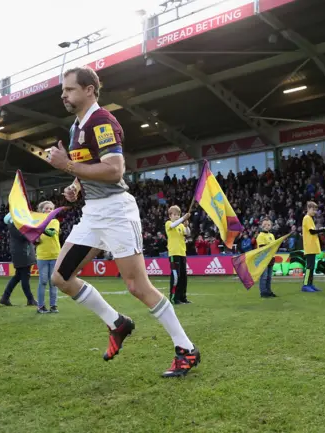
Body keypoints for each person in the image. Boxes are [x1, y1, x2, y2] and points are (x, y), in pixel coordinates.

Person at [46, 66, 200, 378]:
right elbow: (87, 167)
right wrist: (76, 186)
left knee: (137, 286)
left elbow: (114, 170)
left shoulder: (102, 120)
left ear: (89, 90)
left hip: (116, 211)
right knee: (61, 278)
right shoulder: (76, 127)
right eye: (63, 90)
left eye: (70, 89)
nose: (64, 94)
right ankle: (118, 322)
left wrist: (66, 165)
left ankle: (186, 349)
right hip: (93, 212)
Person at [0, 213, 37, 307]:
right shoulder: (15, 227)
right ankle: (30, 299)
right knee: (25, 277)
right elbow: (26, 236)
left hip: (22, 253)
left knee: (18, 276)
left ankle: (5, 297)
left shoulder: (14, 226)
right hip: (23, 254)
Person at [35, 201, 61, 314]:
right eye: (46, 208)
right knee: (43, 281)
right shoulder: (36, 223)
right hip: (42, 255)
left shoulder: (55, 221)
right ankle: (40, 306)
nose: (49, 210)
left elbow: (51, 233)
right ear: (41, 210)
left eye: (51, 209)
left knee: (53, 282)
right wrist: (35, 238)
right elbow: (34, 239)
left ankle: (53, 306)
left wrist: (40, 229)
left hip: (55, 254)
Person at [165, 205, 191, 305]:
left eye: (178, 214)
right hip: (173, 253)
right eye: (174, 215)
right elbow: (173, 225)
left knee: (183, 276)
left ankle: (182, 297)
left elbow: (188, 233)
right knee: (176, 276)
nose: (176, 216)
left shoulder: (180, 225)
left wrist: (186, 225)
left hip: (182, 253)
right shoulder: (168, 223)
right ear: (170, 216)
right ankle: (174, 298)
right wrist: (183, 218)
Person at [302, 201, 324, 292]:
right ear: (308, 209)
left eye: (315, 210)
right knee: (309, 267)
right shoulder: (307, 218)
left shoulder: (310, 218)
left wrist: (321, 230)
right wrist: (322, 230)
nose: (314, 211)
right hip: (309, 246)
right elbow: (312, 231)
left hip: (312, 246)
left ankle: (310, 284)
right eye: (313, 209)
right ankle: (306, 285)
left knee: (311, 267)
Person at [256, 218, 277, 298]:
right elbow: (262, 247)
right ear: (261, 225)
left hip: (271, 258)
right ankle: (263, 292)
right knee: (264, 276)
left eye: (268, 224)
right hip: (264, 258)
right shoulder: (260, 236)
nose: (266, 226)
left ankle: (269, 291)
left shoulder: (271, 235)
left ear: (271, 226)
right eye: (264, 224)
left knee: (269, 277)